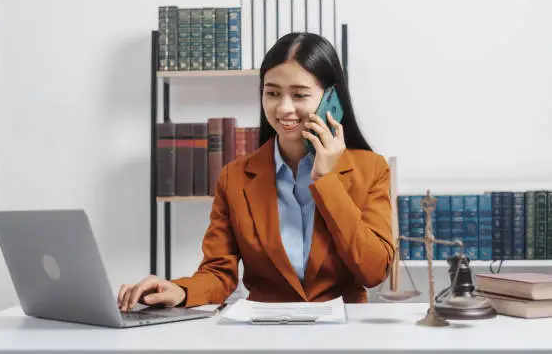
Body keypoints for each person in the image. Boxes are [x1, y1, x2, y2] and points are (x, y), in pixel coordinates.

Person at [118, 32, 394, 311]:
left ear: (330, 98)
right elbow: (218, 272)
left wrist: (328, 181)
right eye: (272, 93)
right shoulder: (234, 177)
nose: (284, 108)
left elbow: (373, 272)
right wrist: (180, 290)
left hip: (344, 332)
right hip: (264, 331)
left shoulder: (372, 170)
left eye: (299, 95)